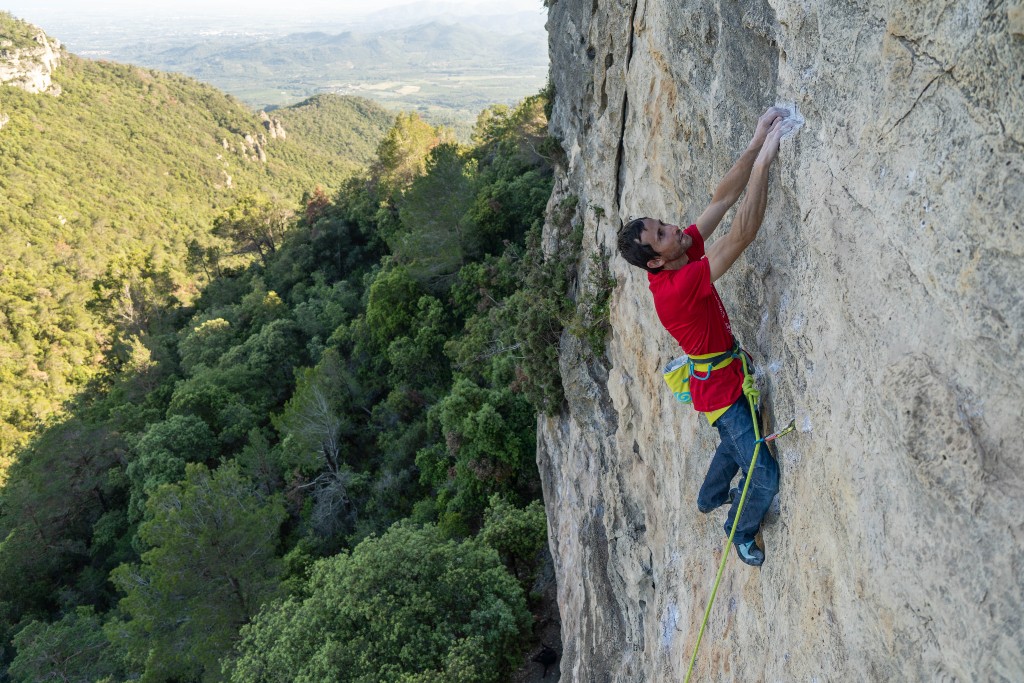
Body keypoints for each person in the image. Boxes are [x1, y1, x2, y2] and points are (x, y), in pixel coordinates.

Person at [615, 107, 796, 566]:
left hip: (722, 376)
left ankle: (709, 495)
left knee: (731, 444)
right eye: (661, 234)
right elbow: (741, 234)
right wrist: (765, 165)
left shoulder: (677, 254)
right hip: (721, 392)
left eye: (662, 224)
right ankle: (740, 528)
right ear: (654, 260)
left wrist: (756, 142)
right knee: (763, 476)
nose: (673, 229)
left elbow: (721, 201)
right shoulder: (673, 290)